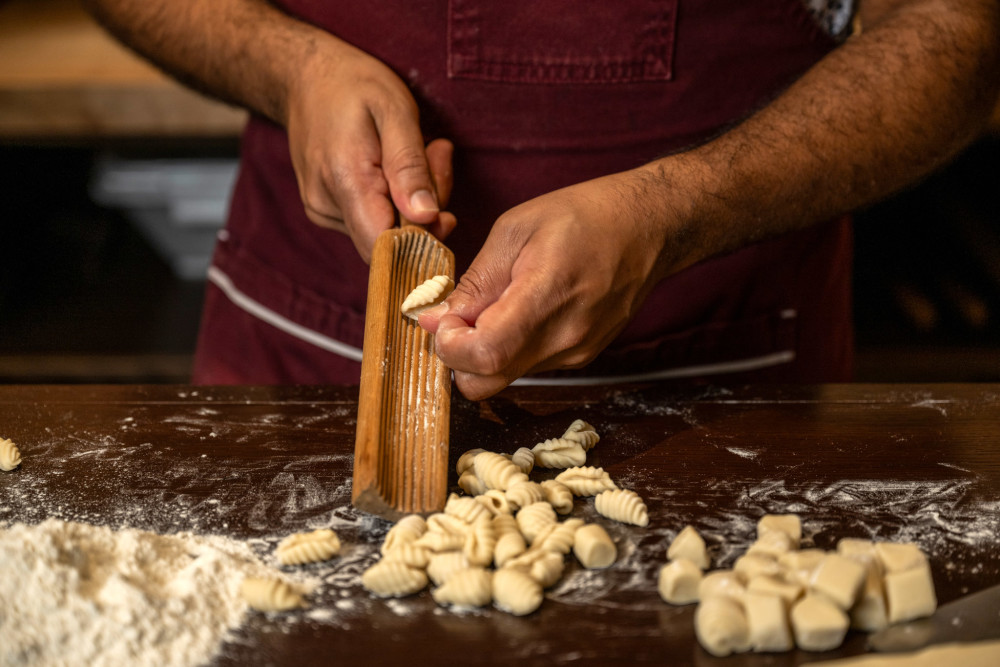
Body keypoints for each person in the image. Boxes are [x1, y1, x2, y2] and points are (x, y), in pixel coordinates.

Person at [84, 0, 999, 400]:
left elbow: (958, 31)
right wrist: (291, 66)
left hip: (728, 365)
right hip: (304, 341)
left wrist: (676, 211)